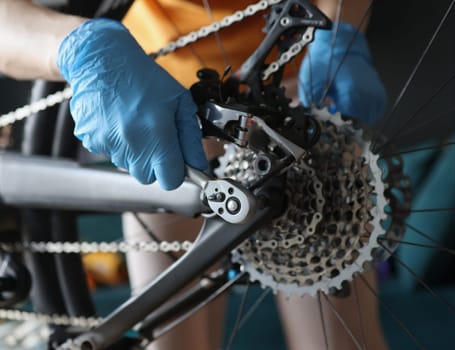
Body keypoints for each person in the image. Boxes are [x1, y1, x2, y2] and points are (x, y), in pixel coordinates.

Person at [0, 0, 388, 349]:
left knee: (342, 342)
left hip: (294, 99)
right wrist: (79, 47)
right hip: (156, 107)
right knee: (171, 344)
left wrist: (340, 29)